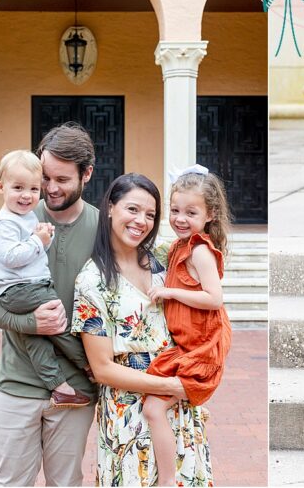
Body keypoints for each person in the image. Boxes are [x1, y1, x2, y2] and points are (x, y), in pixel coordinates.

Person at [0, 123, 99, 488]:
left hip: (76, 392)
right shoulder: (15, 219)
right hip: (16, 385)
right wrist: (31, 323)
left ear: (86, 174)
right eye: (45, 177)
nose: (50, 188)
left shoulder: (102, 227)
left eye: (63, 179)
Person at [73, 174, 212, 486]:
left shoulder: (166, 258)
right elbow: (103, 368)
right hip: (128, 411)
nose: (141, 221)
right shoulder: (91, 282)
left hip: (177, 401)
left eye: (150, 214)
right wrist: (171, 387)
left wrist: (195, 377)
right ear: (110, 207)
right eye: (132, 209)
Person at [144, 166, 233, 487]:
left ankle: (167, 480)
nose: (180, 218)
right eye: (175, 210)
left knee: (154, 409)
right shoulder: (179, 247)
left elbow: (214, 298)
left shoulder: (199, 250)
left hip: (201, 347)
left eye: (190, 212)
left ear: (210, 214)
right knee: (155, 404)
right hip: (185, 343)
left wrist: (169, 292)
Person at [0, 149, 91, 409]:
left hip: (19, 289)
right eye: (18, 187)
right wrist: (39, 240)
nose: (27, 195)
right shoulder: (5, 223)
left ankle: (58, 387)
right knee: (58, 321)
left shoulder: (24, 217)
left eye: (34, 188)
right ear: (1, 187)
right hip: (20, 289)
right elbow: (10, 257)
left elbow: (31, 253)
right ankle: (90, 365)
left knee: (37, 338)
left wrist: (44, 236)